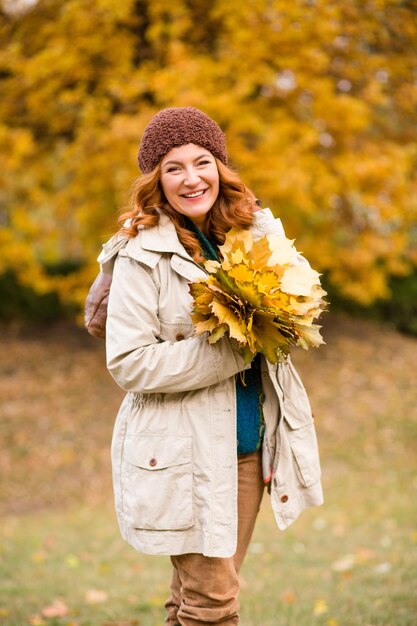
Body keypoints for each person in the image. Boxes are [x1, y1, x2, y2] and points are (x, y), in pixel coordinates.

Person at [98, 106, 323, 626]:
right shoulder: (140, 255)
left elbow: (302, 296)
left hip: (247, 449)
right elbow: (129, 363)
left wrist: (262, 223)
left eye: (203, 162)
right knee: (213, 607)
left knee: (193, 602)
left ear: (221, 167)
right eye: (173, 167)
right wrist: (236, 348)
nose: (191, 178)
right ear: (157, 180)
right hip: (186, 456)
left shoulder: (245, 234)